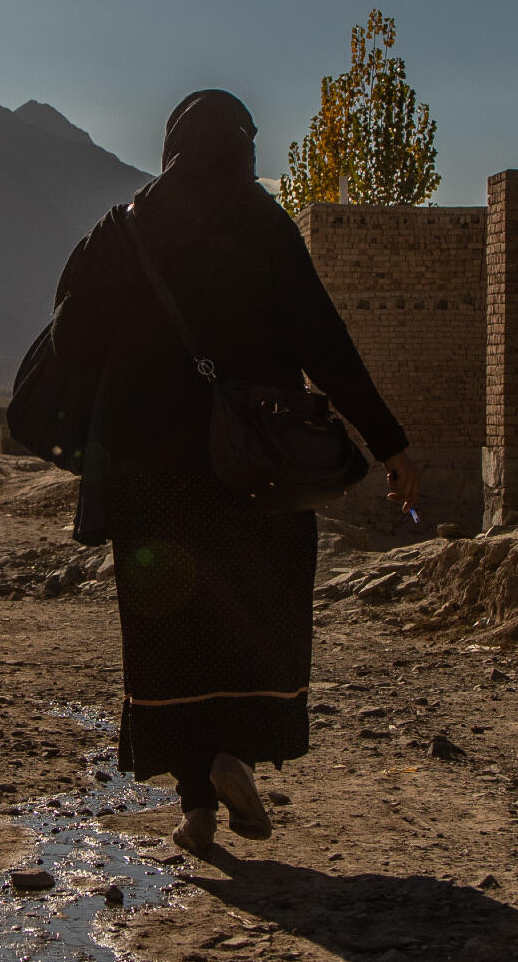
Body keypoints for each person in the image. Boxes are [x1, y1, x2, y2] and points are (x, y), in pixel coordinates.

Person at [42, 89, 418, 849]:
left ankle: (196, 809)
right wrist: (388, 441)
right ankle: (231, 755)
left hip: (150, 474)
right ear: (243, 148)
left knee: (172, 629)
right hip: (253, 469)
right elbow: (325, 340)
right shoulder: (263, 226)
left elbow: (69, 336)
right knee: (249, 618)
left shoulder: (127, 229)